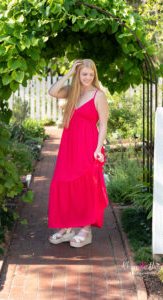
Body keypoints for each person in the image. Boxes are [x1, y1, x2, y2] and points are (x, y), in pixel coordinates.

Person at [48, 58, 109, 248]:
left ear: (94, 76)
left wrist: (98, 150)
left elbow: (104, 125)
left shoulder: (98, 95)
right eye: (84, 74)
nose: (87, 77)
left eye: (91, 74)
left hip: (88, 146)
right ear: (79, 74)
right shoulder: (72, 93)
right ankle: (67, 228)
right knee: (62, 182)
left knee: (86, 187)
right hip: (68, 146)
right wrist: (69, 73)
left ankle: (85, 230)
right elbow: (52, 91)